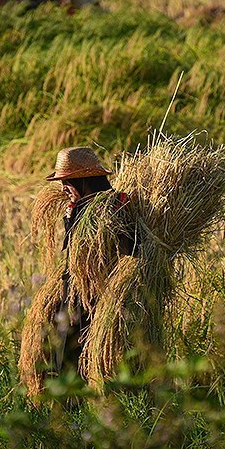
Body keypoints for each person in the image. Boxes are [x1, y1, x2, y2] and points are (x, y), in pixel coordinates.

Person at [42, 147, 136, 378]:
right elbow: (72, 248)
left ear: (84, 180)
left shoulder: (115, 205)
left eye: (67, 181)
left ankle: (79, 400)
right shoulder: (78, 206)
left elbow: (129, 246)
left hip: (98, 292)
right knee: (61, 348)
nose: (63, 187)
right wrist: (71, 216)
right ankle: (66, 402)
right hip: (73, 289)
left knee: (81, 351)